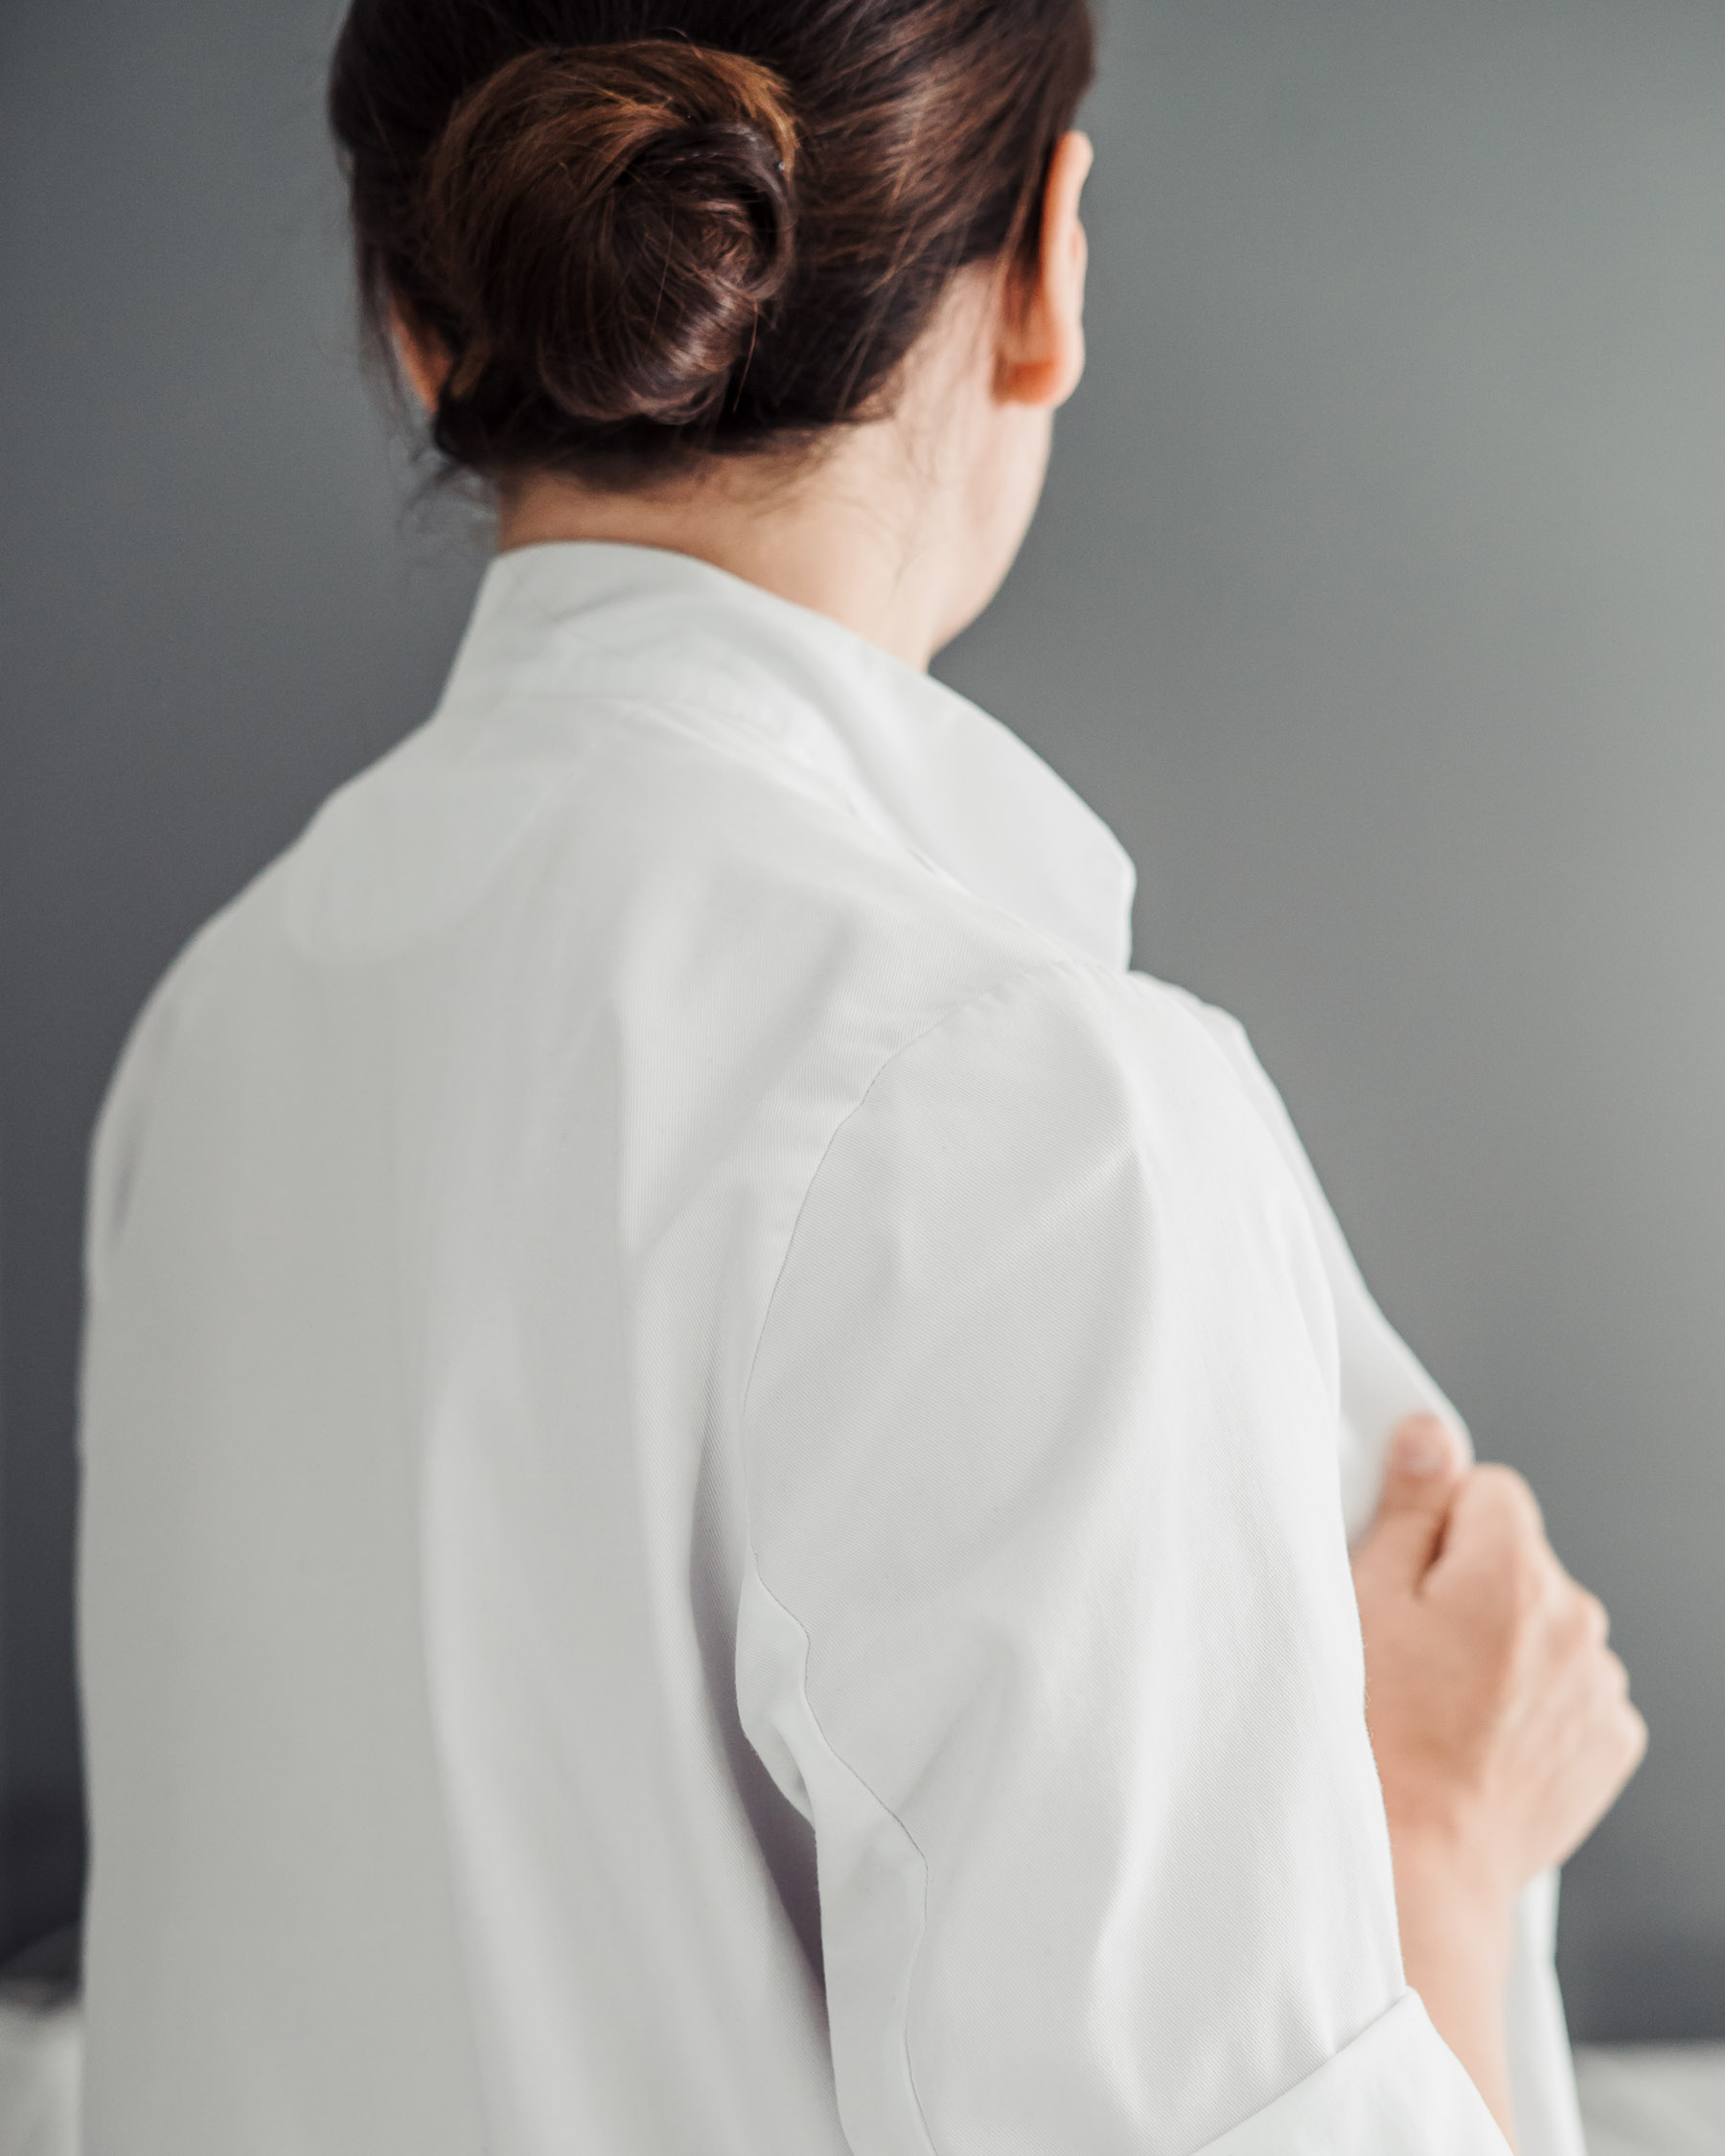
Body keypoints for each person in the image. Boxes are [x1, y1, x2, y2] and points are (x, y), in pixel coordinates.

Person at [74, 3, 1644, 2150]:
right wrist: (1431, 1839)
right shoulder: (1024, 1110)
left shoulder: (217, 1037)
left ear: (418, 326)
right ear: (1050, 267)